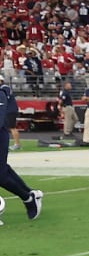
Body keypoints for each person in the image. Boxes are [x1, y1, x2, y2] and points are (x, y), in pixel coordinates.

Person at [0, 75, 42, 222]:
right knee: (3, 171)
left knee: (1, 175)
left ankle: (28, 198)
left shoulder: (1, 93)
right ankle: (29, 194)